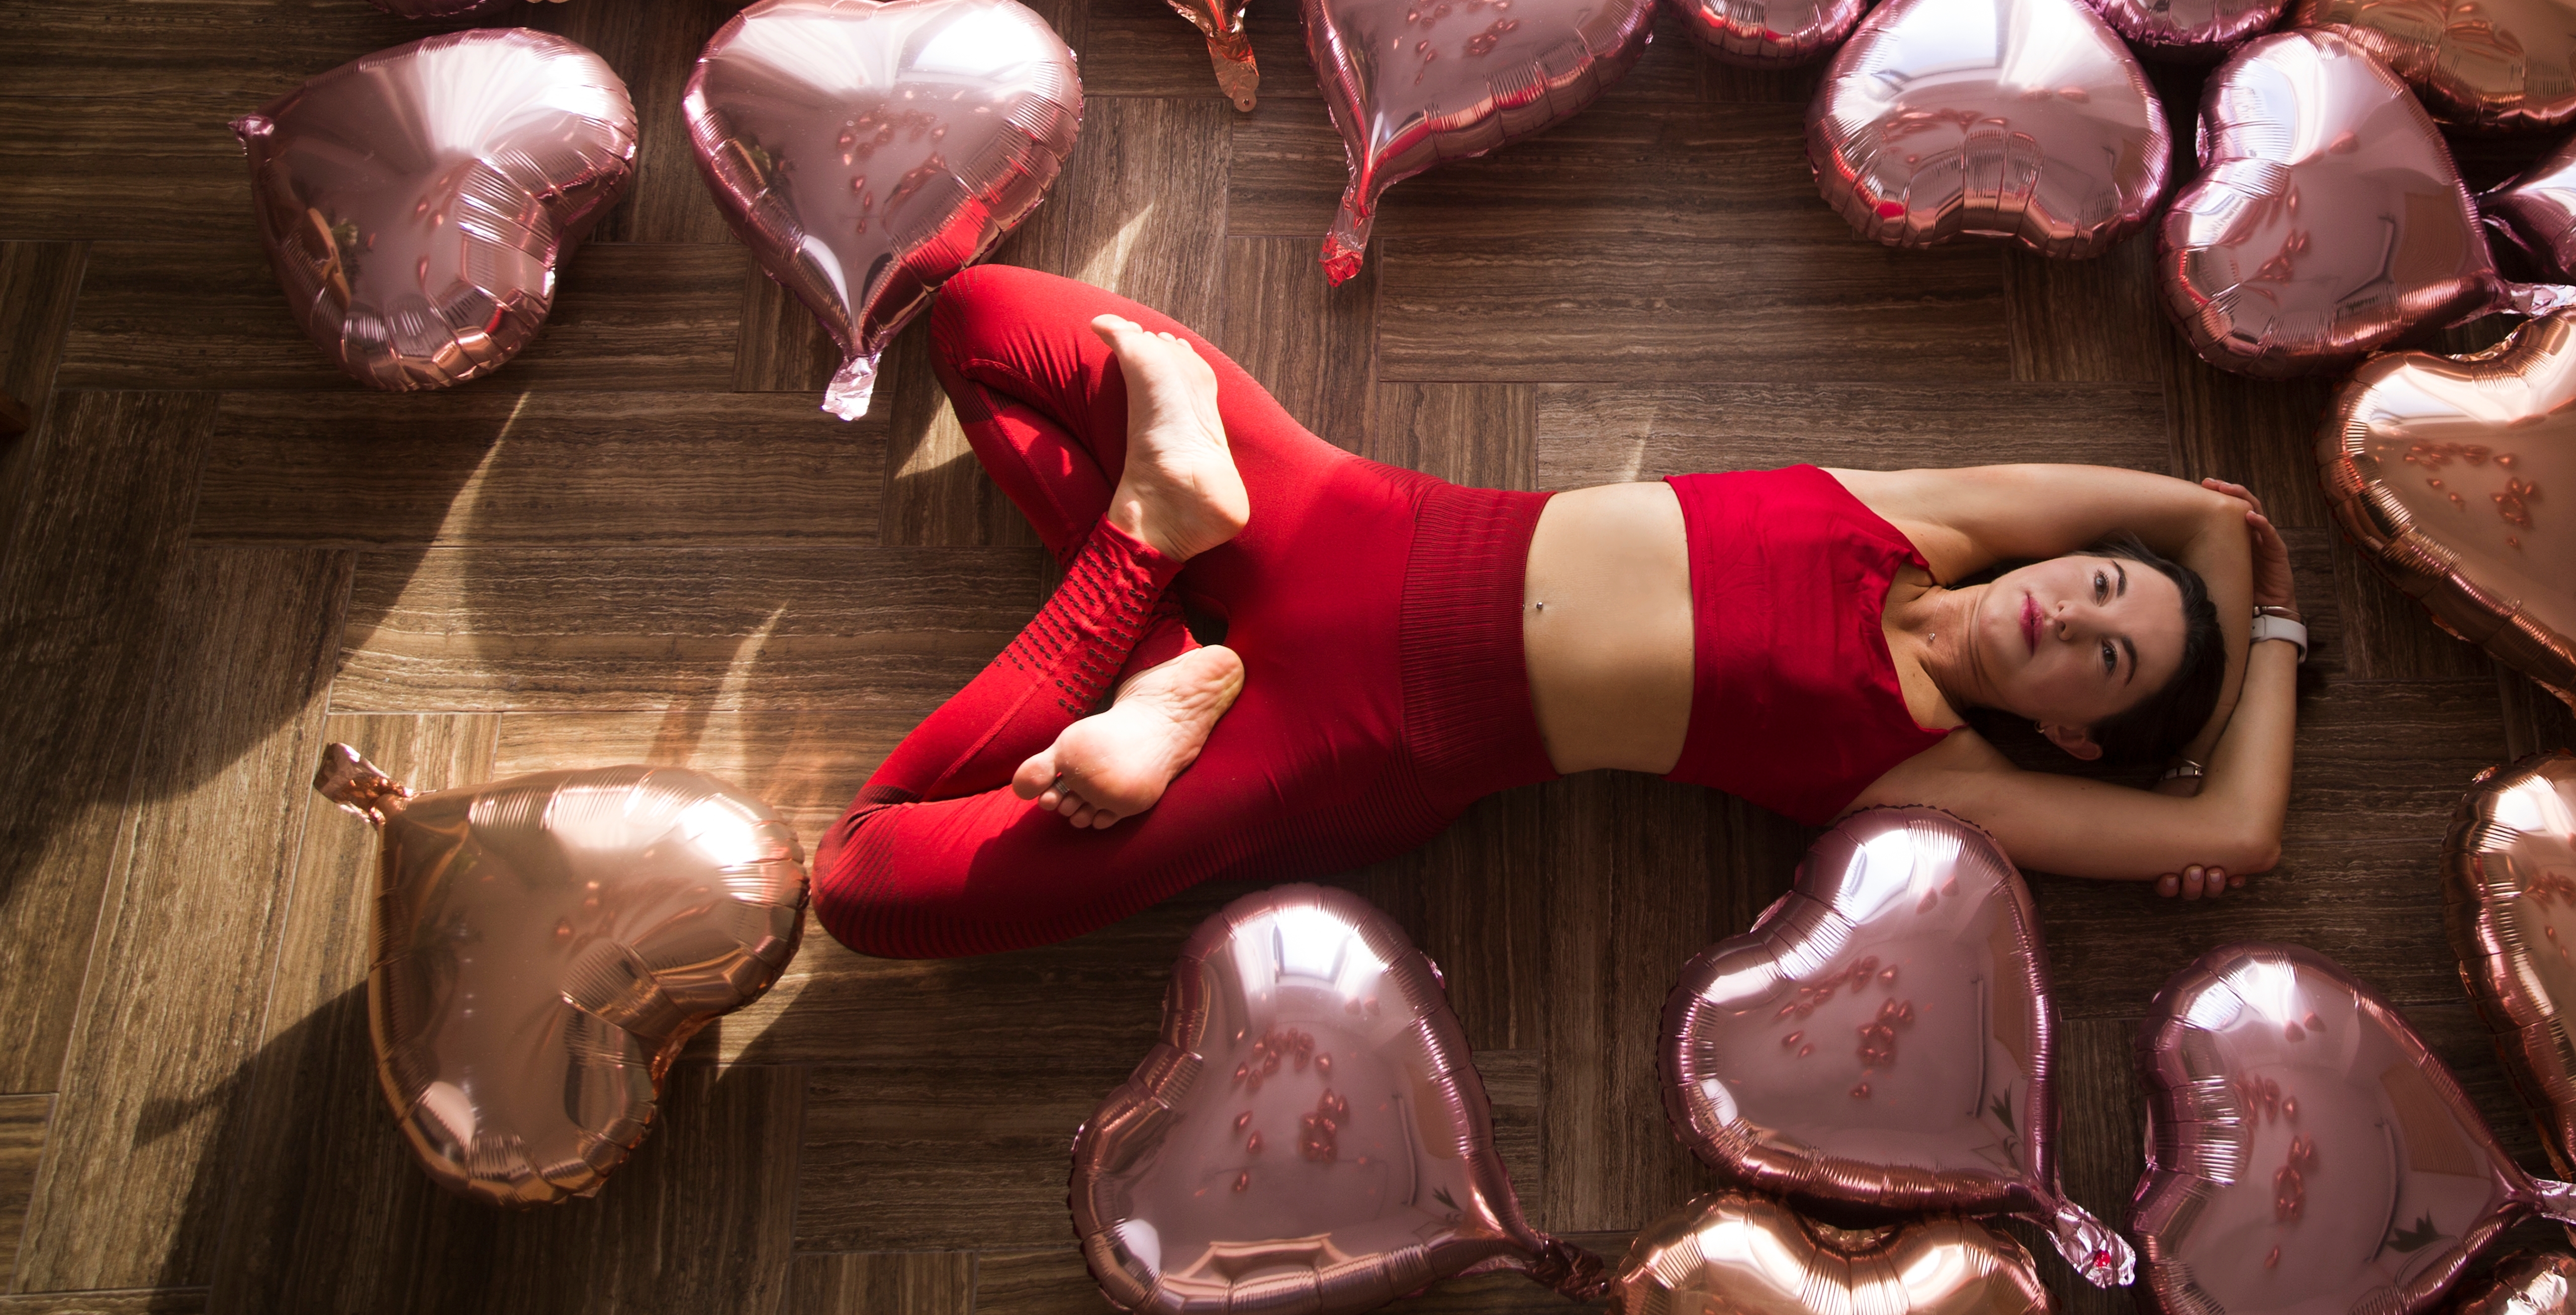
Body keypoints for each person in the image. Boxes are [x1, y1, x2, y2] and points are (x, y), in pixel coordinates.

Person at [811, 267, 2307, 959]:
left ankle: (1150, 551)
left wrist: (2275, 653)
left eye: (2110, 664)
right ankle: (1162, 594)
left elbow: (2235, 832)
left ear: (2071, 733)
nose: (2074, 614)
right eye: (2102, 586)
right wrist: (2251, 584)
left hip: (1343, 740)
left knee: (865, 886)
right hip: (1347, 517)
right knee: (979, 321)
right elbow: (2204, 520)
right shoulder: (1936, 524)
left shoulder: (1931, 769)